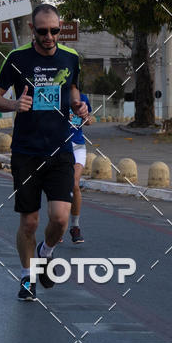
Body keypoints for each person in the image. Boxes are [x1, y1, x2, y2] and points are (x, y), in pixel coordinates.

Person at [0, 4, 89, 300]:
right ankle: (26, 276)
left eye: (54, 31)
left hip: (60, 150)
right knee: (29, 222)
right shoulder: (17, 58)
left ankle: (45, 254)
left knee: (59, 218)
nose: (49, 36)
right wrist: (13, 105)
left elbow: (72, 87)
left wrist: (77, 104)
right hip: (26, 152)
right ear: (32, 29)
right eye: (43, 31)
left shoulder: (70, 57)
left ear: (60, 28)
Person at [68, 89, 92, 243]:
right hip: (58, 146)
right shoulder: (55, 95)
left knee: (74, 184)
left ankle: (75, 227)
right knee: (58, 186)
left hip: (77, 145)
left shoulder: (82, 98)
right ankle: (57, 223)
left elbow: (90, 119)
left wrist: (86, 118)